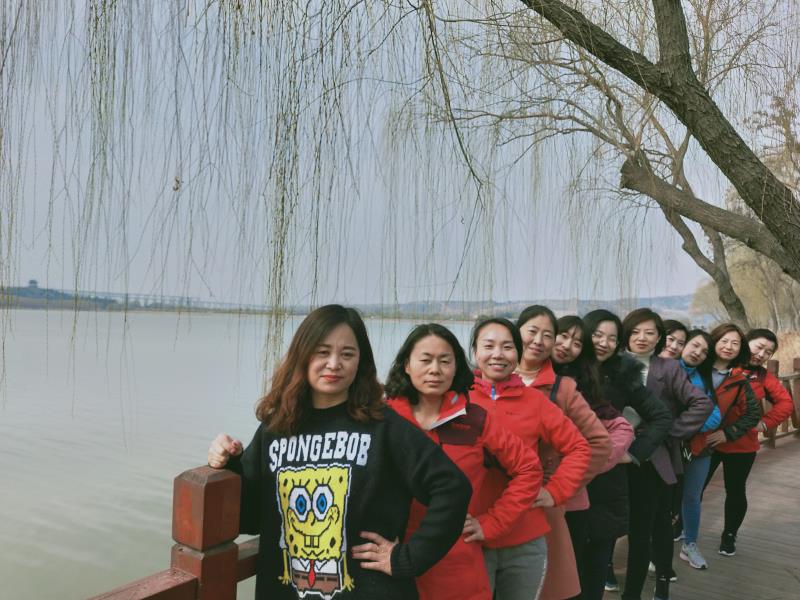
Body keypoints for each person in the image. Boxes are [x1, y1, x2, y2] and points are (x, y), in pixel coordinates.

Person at [206, 305, 472, 600]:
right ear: (302, 355)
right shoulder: (276, 428)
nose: (334, 364)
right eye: (323, 352)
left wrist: (408, 557)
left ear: (360, 361)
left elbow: (452, 487)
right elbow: (250, 518)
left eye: (347, 354)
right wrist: (229, 464)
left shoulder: (383, 426)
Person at [384, 323, 543, 600]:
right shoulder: (384, 419)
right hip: (392, 557)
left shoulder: (473, 420)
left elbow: (528, 468)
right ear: (407, 365)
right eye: (425, 360)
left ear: (456, 367)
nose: (435, 370)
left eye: (445, 361)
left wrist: (492, 523)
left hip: (455, 561)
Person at [468, 316, 592, 600]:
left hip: (524, 537)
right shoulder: (459, 400)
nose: (498, 354)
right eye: (489, 346)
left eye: (507, 347)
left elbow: (578, 447)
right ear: (475, 351)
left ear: (517, 352)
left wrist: (555, 491)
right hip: (471, 533)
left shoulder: (534, 401)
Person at [516, 307, 612, 600]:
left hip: (538, 502)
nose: (538, 341)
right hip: (487, 501)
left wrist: (558, 487)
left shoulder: (563, 388)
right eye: (532, 331)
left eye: (547, 335)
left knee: (539, 584)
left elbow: (599, 442)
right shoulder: (483, 378)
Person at [620, 308, 712, 600]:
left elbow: (701, 403)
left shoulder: (667, 368)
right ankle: (613, 576)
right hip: (614, 455)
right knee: (616, 522)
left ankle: (640, 590)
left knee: (646, 526)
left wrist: (667, 432)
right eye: (635, 331)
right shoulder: (612, 363)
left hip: (652, 458)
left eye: (650, 332)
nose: (642, 338)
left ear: (659, 337)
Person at [581, 309, 672, 597]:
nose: (603, 343)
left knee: (596, 564)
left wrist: (632, 453)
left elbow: (661, 416)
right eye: (597, 335)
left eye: (612, 338)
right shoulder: (564, 370)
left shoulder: (622, 375)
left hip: (606, 479)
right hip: (567, 478)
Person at [550, 315, 635, 600]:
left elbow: (619, 426)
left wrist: (589, 464)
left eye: (576, 342)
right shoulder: (517, 377)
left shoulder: (577, 385)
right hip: (526, 496)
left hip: (577, 497)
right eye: (562, 336)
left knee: (575, 575)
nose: (566, 345)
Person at [700, 326, 787, 558]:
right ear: (744, 343)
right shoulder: (721, 365)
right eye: (759, 347)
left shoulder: (763, 377)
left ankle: (729, 534)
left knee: (735, 491)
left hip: (742, 444)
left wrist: (765, 423)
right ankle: (680, 525)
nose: (761, 354)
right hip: (709, 441)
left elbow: (785, 404)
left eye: (768, 352)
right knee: (696, 486)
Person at [675, 330, 720, 570]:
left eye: (704, 352)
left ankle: (690, 544)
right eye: (694, 346)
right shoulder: (666, 370)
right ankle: (652, 548)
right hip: (667, 447)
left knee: (692, 496)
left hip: (697, 447)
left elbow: (715, 414)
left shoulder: (703, 378)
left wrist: (688, 427)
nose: (697, 353)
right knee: (661, 499)